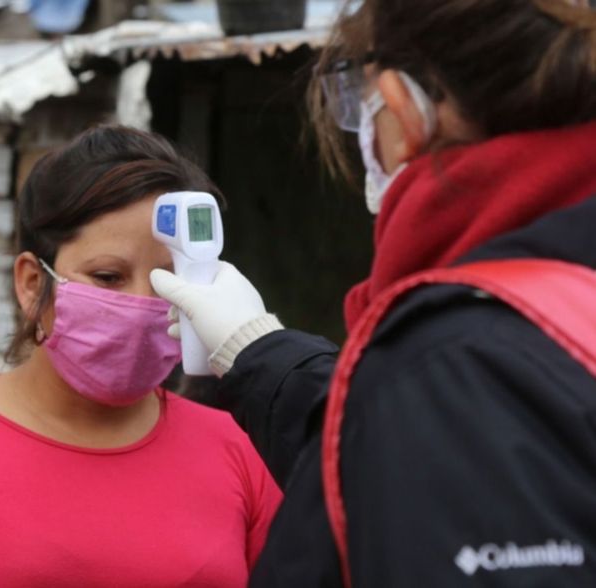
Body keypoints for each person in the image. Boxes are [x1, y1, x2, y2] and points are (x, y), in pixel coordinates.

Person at [150, 0, 596, 585]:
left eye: (359, 106)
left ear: (404, 106)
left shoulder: (456, 358)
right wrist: (259, 350)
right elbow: (407, 458)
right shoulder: (535, 307)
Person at [0, 126, 282, 587]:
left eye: (170, 280)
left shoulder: (242, 450)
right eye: (108, 276)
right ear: (31, 284)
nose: (144, 303)